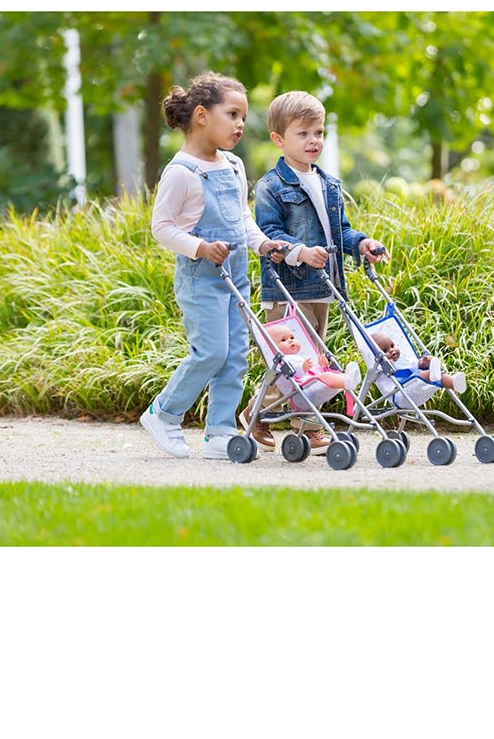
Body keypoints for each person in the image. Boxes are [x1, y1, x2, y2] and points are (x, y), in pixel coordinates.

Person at [140, 72, 288, 459]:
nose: (240, 124)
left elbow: (241, 217)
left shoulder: (233, 165)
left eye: (243, 117)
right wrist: (201, 247)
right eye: (232, 114)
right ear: (202, 115)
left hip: (236, 277)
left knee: (235, 355)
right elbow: (162, 227)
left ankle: (220, 433)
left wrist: (262, 243)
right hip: (201, 279)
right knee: (211, 352)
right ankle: (163, 413)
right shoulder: (181, 172)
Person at [245, 90, 389, 454]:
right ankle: (262, 414)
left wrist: (362, 243)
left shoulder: (329, 185)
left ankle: (303, 425)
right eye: (303, 133)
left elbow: (341, 232)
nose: (314, 141)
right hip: (288, 288)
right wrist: (300, 252)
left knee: (312, 362)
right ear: (279, 139)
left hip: (324, 286)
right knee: (289, 361)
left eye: (319, 133)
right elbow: (269, 233)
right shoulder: (271, 186)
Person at [266, 324, 361, 395]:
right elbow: (294, 374)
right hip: (304, 389)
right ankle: (347, 381)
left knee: (329, 375)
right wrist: (303, 368)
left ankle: (347, 377)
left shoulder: (299, 357)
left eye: (292, 337)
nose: (290, 340)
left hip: (312, 383)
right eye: (283, 340)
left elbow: (312, 371)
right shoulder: (284, 360)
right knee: (327, 376)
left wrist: (321, 366)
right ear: (272, 347)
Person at [370, 332, 467, 394]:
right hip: (401, 393)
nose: (392, 350)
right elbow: (377, 378)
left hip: (419, 386)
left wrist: (423, 363)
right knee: (419, 375)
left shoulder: (404, 360)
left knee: (438, 376)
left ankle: (454, 383)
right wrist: (387, 364)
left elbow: (414, 365)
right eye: (385, 350)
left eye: (392, 346)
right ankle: (431, 374)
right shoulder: (381, 368)